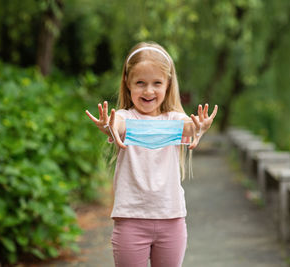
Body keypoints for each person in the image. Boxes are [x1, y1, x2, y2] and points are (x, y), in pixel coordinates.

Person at [86, 41, 217, 267]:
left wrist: (200, 127)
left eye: (157, 83)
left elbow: (190, 126)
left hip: (172, 221)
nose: (148, 91)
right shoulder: (126, 118)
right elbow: (116, 124)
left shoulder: (175, 121)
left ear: (168, 84)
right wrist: (108, 125)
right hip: (130, 221)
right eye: (140, 83)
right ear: (127, 84)